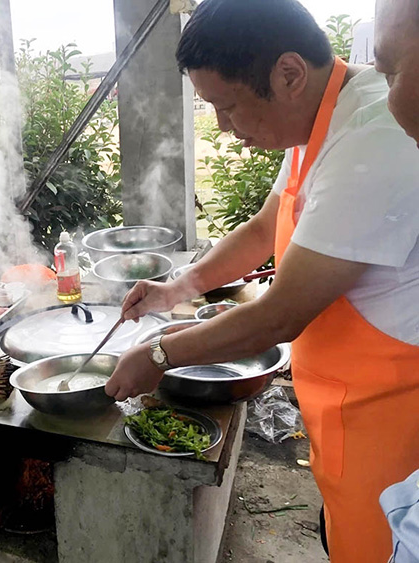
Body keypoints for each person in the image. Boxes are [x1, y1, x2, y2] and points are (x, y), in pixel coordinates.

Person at [104, 1, 419, 561]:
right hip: (341, 406)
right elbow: (264, 228)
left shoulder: (375, 137)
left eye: (227, 107)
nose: (224, 128)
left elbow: (278, 315)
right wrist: (178, 287)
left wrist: (156, 354)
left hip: (393, 424)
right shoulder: (321, 116)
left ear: (289, 74)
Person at [373, 2, 419, 561]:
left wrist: (164, 353)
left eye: (392, 71)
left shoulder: (360, 130)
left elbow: (283, 311)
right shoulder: (307, 138)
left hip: (381, 409)